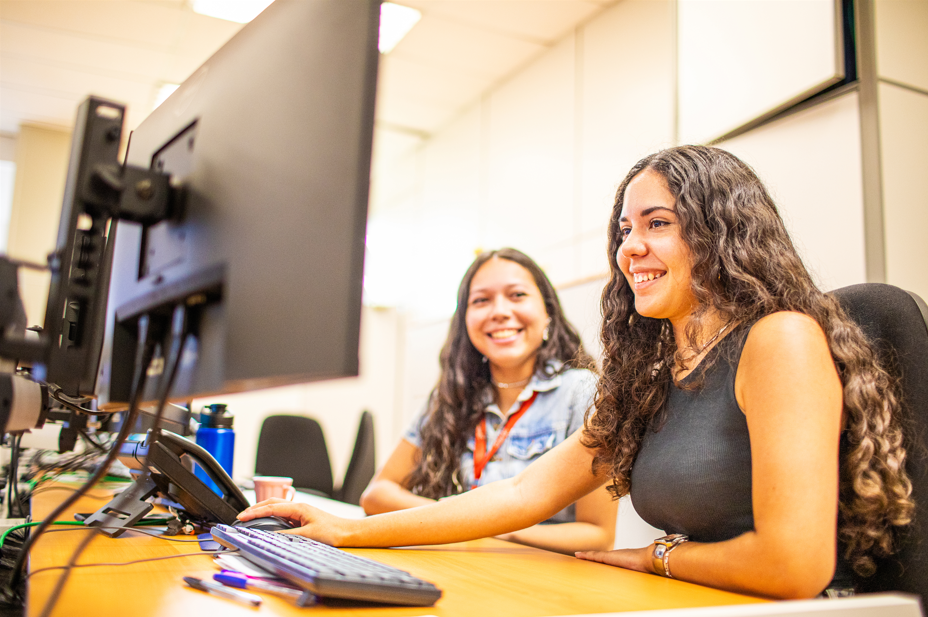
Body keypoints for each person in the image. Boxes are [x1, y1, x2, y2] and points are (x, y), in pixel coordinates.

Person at [239, 146, 914, 599]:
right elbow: (521, 493)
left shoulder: (780, 341)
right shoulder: (653, 376)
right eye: (624, 229)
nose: (631, 249)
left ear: (720, 231)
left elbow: (794, 565)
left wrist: (651, 556)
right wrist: (342, 529)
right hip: (698, 601)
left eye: (657, 224)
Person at [359, 248, 617, 554]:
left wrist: (490, 527)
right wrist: (457, 522)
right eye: (481, 300)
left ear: (548, 312)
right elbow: (376, 493)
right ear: (465, 321)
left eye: (517, 295)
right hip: (462, 570)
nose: (499, 311)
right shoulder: (451, 397)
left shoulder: (583, 393)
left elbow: (597, 534)